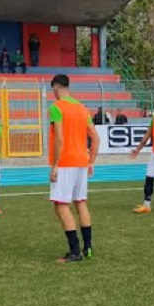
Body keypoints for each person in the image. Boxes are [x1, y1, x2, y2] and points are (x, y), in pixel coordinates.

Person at [48, 74, 100, 263]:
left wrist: (55, 165)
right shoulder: (81, 108)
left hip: (65, 161)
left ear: (56, 86)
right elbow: (95, 137)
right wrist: (91, 161)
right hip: (81, 161)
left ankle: (75, 251)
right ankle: (88, 248)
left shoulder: (57, 107)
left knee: (61, 205)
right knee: (80, 202)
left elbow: (59, 138)